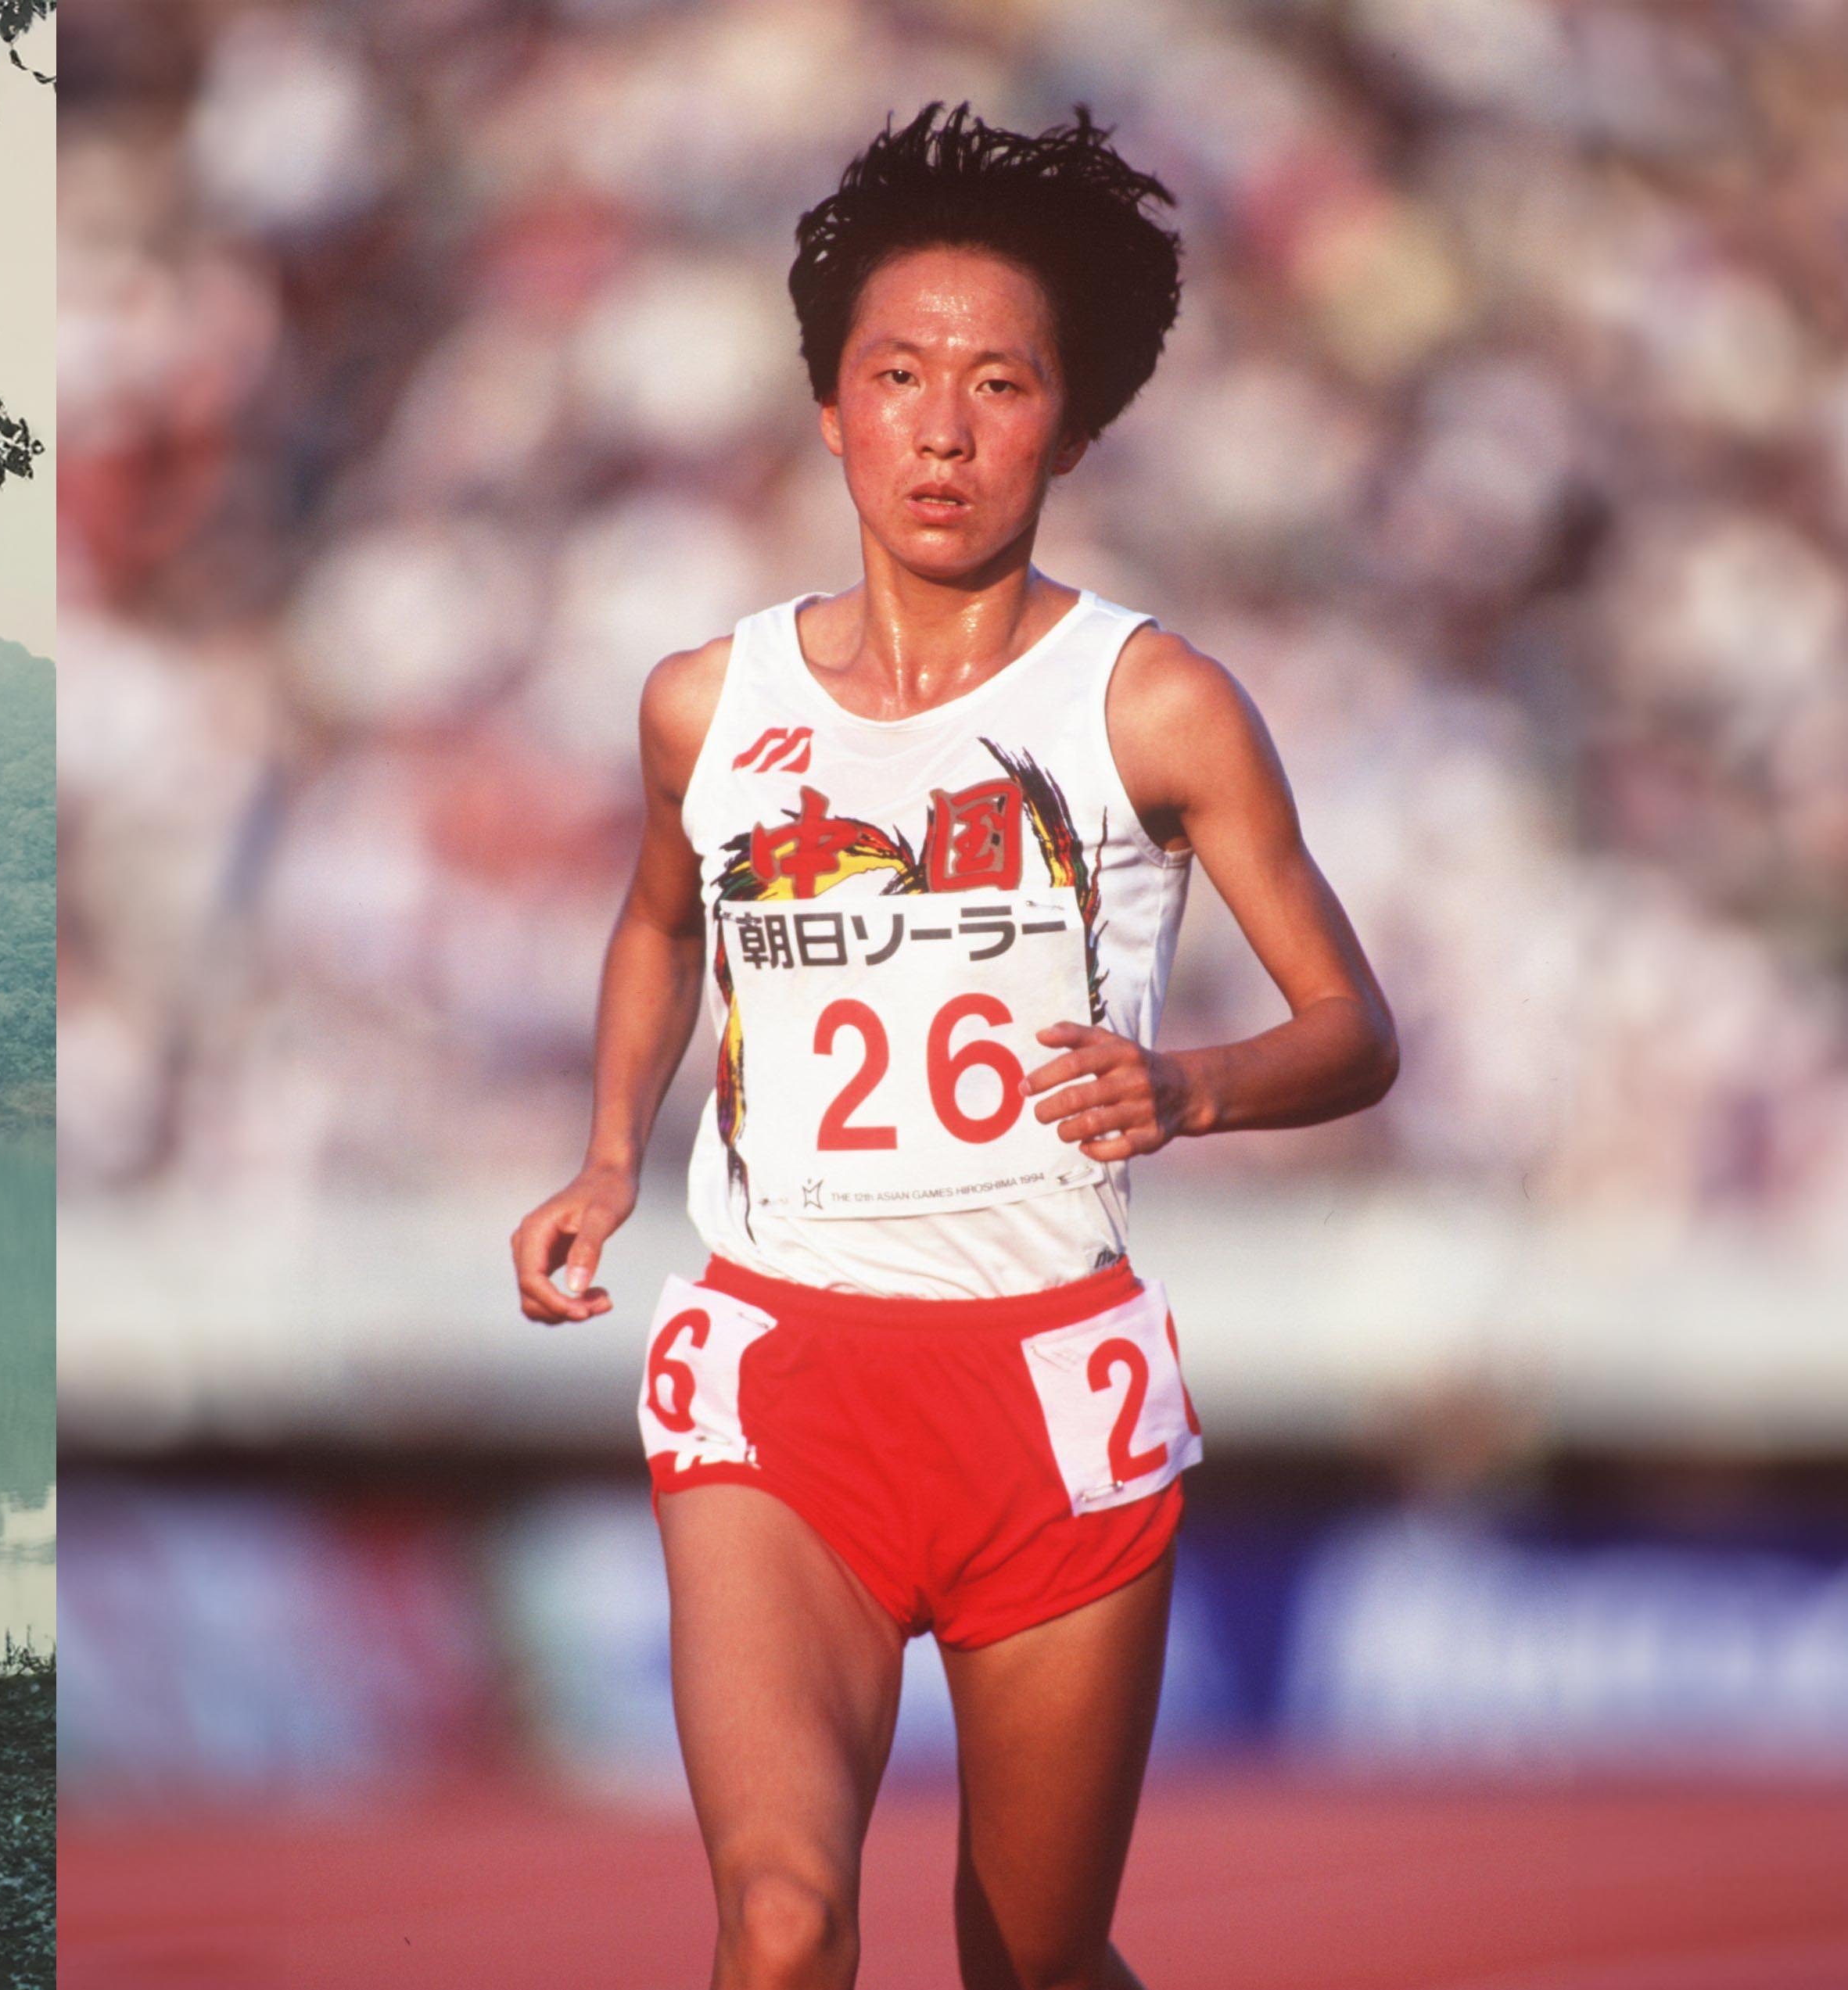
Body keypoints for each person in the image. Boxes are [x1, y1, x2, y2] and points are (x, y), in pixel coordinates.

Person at [509, 106, 1397, 1990]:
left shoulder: (1150, 700)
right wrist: (604, 1153)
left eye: (998, 384)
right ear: (826, 410)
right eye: (894, 376)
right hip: (781, 1370)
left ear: (1068, 429)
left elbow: (1353, 1028)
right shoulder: (703, 703)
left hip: (1046, 1393)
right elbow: (658, 923)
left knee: (1030, 1958)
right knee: (779, 1920)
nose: (940, 425)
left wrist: (1192, 1084)